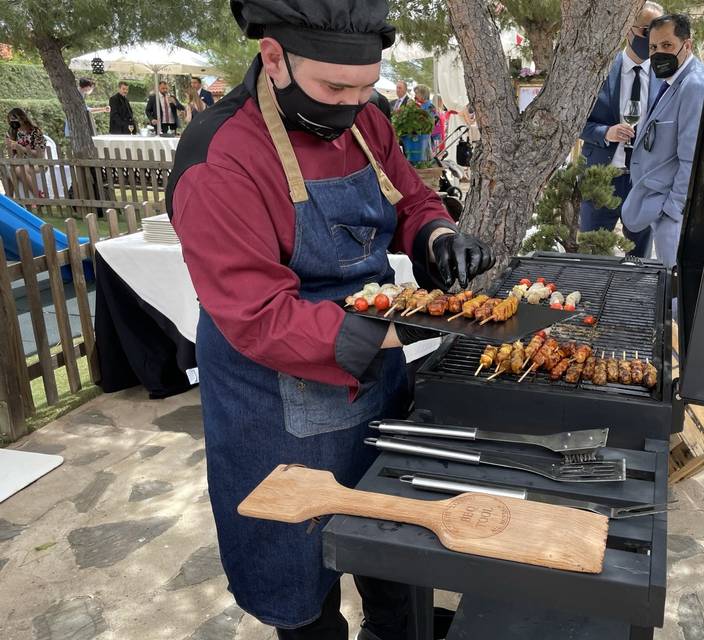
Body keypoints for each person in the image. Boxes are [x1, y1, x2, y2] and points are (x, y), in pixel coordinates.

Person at [167, 1, 495, 638]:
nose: (353, 106)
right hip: (273, 405)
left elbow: (411, 197)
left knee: (396, 549)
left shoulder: (367, 123)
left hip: (377, 372)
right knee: (300, 577)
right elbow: (256, 314)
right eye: (334, 88)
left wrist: (436, 235)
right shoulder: (221, 155)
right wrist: (403, 329)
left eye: (367, 87)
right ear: (273, 57)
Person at [621, 13, 704, 270]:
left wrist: (672, 212)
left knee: (673, 294)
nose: (658, 53)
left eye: (667, 46)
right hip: (658, 204)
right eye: (653, 47)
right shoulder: (672, 81)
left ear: (687, 45)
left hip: (673, 215)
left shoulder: (695, 86)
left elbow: (693, 159)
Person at [579, 1, 664, 259]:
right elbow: (575, 123)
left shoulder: (665, 79)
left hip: (644, 181)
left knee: (640, 261)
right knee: (593, 255)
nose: (653, 39)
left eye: (659, 32)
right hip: (602, 176)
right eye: (647, 31)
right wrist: (606, 132)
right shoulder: (599, 71)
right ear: (629, 29)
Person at [5, 108, 47, 197]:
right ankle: (10, 200)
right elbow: (12, 154)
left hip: (38, 163)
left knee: (20, 170)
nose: (12, 122)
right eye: (10, 120)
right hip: (20, 162)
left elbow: (41, 154)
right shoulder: (13, 132)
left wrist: (22, 148)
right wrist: (10, 147)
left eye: (14, 119)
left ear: (22, 118)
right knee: (8, 171)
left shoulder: (35, 132)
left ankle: (38, 195)